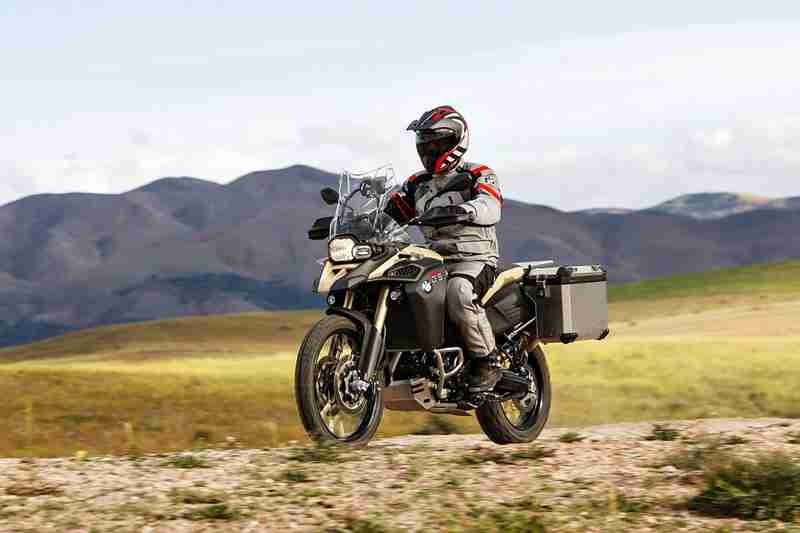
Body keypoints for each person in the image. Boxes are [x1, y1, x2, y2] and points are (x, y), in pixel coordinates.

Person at [385, 105, 504, 392]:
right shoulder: (416, 184)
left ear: (456, 141)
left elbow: (491, 205)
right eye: (425, 144)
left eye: (436, 144)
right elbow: (391, 214)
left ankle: (487, 361)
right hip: (434, 260)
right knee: (399, 292)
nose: (429, 150)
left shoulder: (478, 174)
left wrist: (466, 210)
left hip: (475, 259)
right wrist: (363, 222)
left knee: (458, 291)